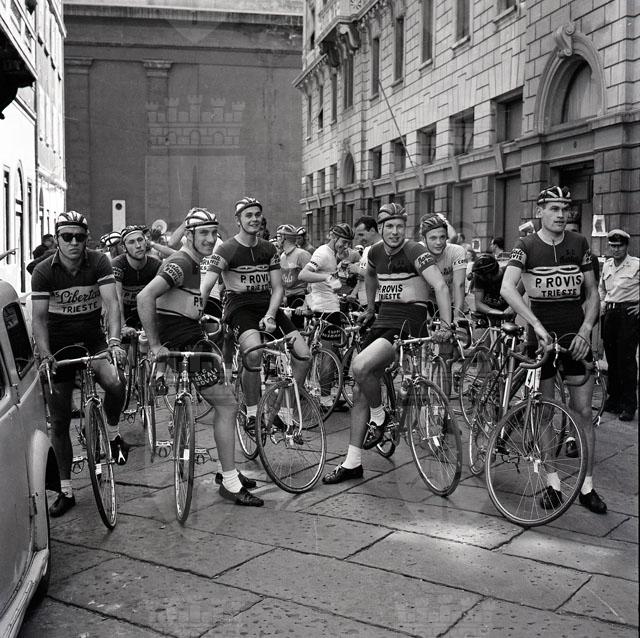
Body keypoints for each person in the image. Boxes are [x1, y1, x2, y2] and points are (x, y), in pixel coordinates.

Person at [137, 206, 264, 506]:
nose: (210, 239)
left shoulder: (193, 262)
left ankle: (226, 470)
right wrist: (155, 345)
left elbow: (177, 303)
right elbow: (145, 296)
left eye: (213, 233)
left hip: (191, 335)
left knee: (225, 403)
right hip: (184, 343)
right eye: (203, 233)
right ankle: (229, 480)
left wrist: (198, 318)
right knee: (227, 404)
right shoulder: (181, 262)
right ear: (189, 235)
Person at [322, 203, 452, 484]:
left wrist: (446, 324)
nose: (395, 231)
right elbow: (369, 274)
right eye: (389, 226)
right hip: (383, 320)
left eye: (399, 226)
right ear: (380, 228)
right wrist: (370, 307)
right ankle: (353, 462)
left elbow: (440, 285)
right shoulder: (375, 252)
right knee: (359, 388)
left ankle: (379, 416)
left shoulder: (415, 251)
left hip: (409, 322)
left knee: (359, 367)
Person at [501, 186, 606, 514]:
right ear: (540, 211)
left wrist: (586, 330)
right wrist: (535, 324)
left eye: (565, 208)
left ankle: (587, 487)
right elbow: (507, 288)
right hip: (542, 340)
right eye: (554, 208)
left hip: (576, 339)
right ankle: (552, 484)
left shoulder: (579, 243)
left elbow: (592, 292)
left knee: (583, 412)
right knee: (545, 411)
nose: (561, 215)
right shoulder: (526, 246)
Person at [31, 211, 128, 518]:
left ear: (87, 239)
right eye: (67, 237)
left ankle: (112, 431)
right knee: (60, 421)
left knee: (115, 382)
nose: (74, 242)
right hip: (59, 346)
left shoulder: (98, 262)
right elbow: (39, 319)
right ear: (57, 239)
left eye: (80, 237)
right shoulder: (43, 271)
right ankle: (66, 490)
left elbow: (112, 304)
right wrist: (45, 354)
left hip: (92, 340)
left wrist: (114, 342)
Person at [200, 197, 309, 436]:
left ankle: (282, 411)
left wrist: (270, 315)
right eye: (248, 215)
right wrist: (196, 313)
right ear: (238, 220)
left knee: (304, 356)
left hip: (266, 305)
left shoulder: (269, 249)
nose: (254, 219)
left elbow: (278, 288)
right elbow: (206, 285)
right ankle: (251, 412)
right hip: (239, 307)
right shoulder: (226, 249)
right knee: (254, 353)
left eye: (257, 214)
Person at [420, 214, 467, 396]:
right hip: (428, 301)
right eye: (433, 238)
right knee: (423, 349)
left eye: (442, 237)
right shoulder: (419, 252)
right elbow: (418, 287)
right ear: (424, 239)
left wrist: (457, 316)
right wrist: (424, 314)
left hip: (452, 302)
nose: (439, 242)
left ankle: (445, 398)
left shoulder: (456, 251)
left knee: (449, 352)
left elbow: (459, 284)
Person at [598, 229, 639, 421]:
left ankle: (629, 405)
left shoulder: (636, 264)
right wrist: (602, 304)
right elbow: (602, 288)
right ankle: (614, 399)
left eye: (619, 246)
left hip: (628, 315)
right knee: (612, 359)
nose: (616, 249)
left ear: (626, 246)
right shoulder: (607, 266)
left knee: (626, 360)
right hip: (610, 314)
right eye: (612, 246)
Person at [112, 225, 162, 331]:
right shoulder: (117, 264)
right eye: (131, 242)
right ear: (124, 248)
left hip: (147, 311)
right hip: (124, 312)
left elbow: (162, 299)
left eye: (140, 240)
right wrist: (123, 327)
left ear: (146, 242)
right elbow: (116, 299)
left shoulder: (156, 265)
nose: (138, 246)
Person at [276, 223, 311, 329]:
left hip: (300, 298)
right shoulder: (282, 256)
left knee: (299, 331)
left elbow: (312, 283)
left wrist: (305, 304)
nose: (277, 239)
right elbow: (282, 281)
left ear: (283, 238)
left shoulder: (302, 254)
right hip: (288, 299)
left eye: (278, 236)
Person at [350, 215, 382, 308]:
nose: (359, 239)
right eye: (358, 236)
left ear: (372, 230)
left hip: (377, 301)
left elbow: (382, 279)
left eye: (361, 235)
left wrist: (358, 270)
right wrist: (353, 293)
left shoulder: (383, 248)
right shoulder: (367, 249)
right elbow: (363, 277)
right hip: (364, 302)